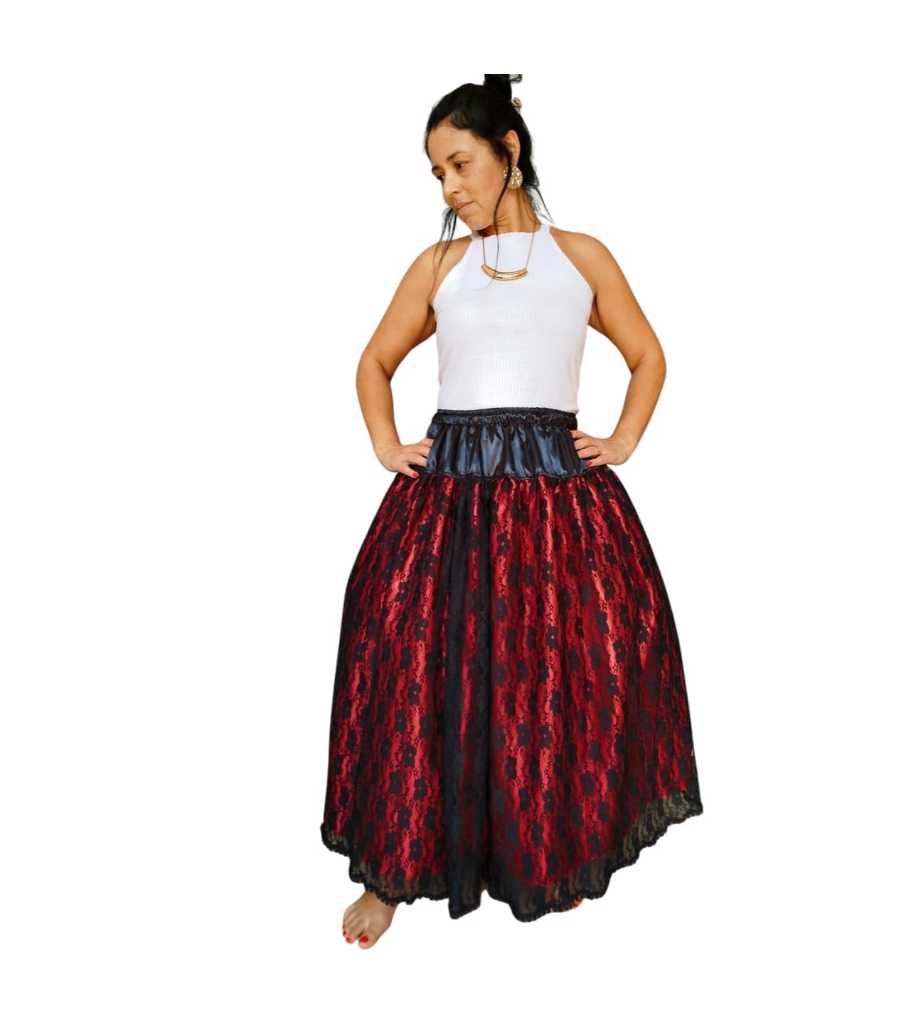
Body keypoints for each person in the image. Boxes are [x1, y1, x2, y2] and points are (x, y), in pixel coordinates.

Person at [321, 74, 703, 948]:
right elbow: (373, 363)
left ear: (509, 152)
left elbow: (648, 356)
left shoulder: (582, 257)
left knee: (552, 677)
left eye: (460, 163)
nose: (450, 187)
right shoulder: (440, 268)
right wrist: (386, 444)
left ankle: (549, 852)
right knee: (414, 669)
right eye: (437, 173)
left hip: (556, 500)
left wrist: (623, 439)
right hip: (448, 495)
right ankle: (391, 874)